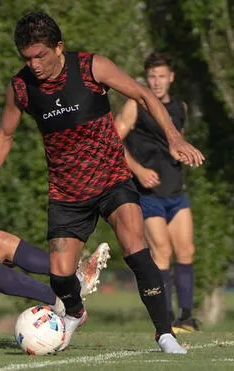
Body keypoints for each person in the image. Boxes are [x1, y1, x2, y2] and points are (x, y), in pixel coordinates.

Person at [0, 12, 204, 353]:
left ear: (59, 47)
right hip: (67, 193)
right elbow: (4, 134)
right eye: (27, 58)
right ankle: (75, 312)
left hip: (112, 179)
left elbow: (143, 96)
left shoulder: (92, 67)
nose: (33, 64)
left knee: (136, 249)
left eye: (40, 56)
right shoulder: (21, 88)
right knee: (60, 274)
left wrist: (174, 138)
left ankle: (165, 333)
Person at [114, 52, 198, 333]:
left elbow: (177, 138)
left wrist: (185, 151)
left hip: (176, 191)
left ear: (171, 77)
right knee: (162, 252)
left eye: (162, 76)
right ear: (146, 78)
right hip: (148, 195)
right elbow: (112, 140)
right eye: (152, 76)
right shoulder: (135, 105)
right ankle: (167, 318)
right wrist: (137, 169)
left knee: (186, 251)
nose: (157, 81)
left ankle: (186, 317)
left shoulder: (180, 107)